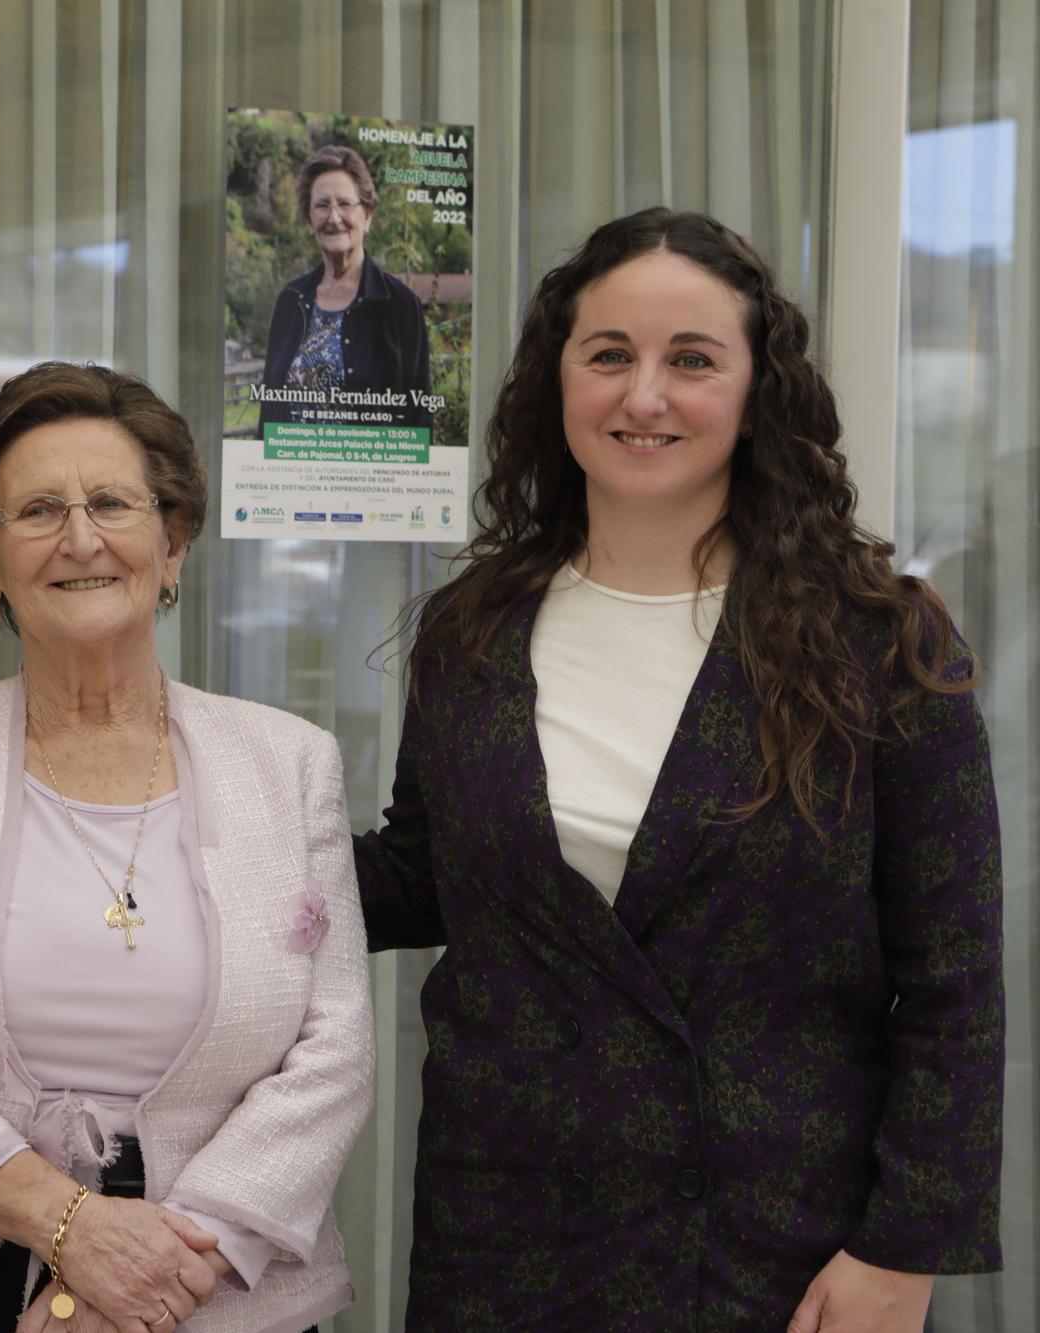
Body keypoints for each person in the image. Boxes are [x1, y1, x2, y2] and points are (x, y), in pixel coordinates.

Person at [355, 208, 1004, 1330]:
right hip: (503, 1246)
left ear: (756, 390)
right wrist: (181, 826)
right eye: (607, 355)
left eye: (690, 361)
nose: (642, 396)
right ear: (554, 381)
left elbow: (951, 983)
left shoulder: (878, 642)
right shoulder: (471, 630)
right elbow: (424, 870)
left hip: (777, 1255)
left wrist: (900, 1250)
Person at [0, 362, 372, 1333]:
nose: (78, 539)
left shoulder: (287, 764)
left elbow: (333, 1051)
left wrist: (150, 1276)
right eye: (34, 511)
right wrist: (70, 1227)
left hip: (222, 1291)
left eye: (111, 503)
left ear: (172, 545)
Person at [259, 144, 433, 432]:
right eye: (322, 205)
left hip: (370, 475)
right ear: (308, 221)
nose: (334, 217)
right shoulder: (290, 300)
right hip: (292, 473)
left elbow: (420, 420)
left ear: (367, 215)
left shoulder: (401, 305)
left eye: (345, 203)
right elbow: (269, 409)